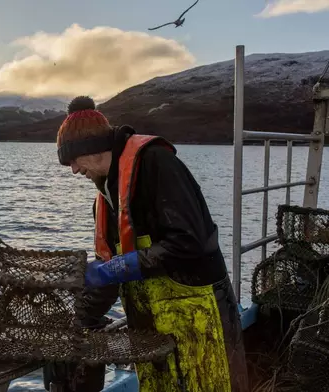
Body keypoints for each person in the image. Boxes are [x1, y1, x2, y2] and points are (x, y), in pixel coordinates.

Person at [53, 96, 249, 391]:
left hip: (199, 313)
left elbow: (190, 242)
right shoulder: (104, 201)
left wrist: (121, 266)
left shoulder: (157, 164)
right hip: (150, 328)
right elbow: (106, 273)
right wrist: (82, 321)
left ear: (91, 149)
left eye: (73, 160)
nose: (74, 171)